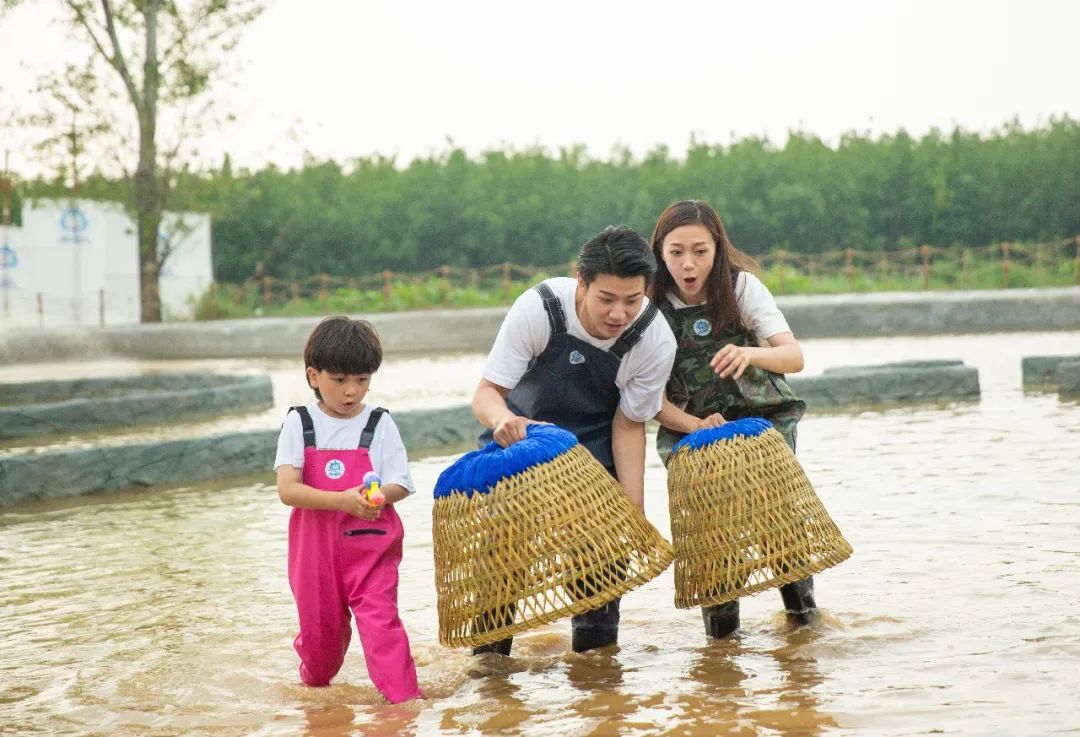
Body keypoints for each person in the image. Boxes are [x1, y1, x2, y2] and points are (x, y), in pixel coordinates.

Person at [471, 225, 677, 654]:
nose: (618, 314)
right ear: (581, 282)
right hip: (521, 444)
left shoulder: (654, 338)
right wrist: (503, 421)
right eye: (606, 299)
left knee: (600, 579)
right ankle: (490, 674)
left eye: (631, 300)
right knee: (499, 568)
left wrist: (632, 508)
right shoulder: (540, 309)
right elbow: (487, 394)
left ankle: (597, 681)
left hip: (595, 452)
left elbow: (629, 424)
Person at [649, 199, 818, 637]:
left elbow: (793, 356)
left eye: (700, 251)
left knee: (780, 528)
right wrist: (693, 425)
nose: (688, 264)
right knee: (714, 542)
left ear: (717, 248)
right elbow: (643, 397)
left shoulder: (742, 288)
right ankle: (721, 645)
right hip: (693, 431)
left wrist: (749, 351)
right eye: (677, 252)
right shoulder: (647, 304)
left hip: (763, 424)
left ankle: (804, 624)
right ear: (660, 252)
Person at [274, 316, 422, 703]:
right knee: (322, 649)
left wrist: (377, 498)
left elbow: (401, 482)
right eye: (340, 380)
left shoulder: (380, 423)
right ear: (313, 375)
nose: (351, 391)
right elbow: (288, 490)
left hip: (371, 549)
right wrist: (343, 500)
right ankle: (315, 697)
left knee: (382, 626)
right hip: (314, 555)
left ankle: (404, 705)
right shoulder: (299, 423)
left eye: (362, 380)